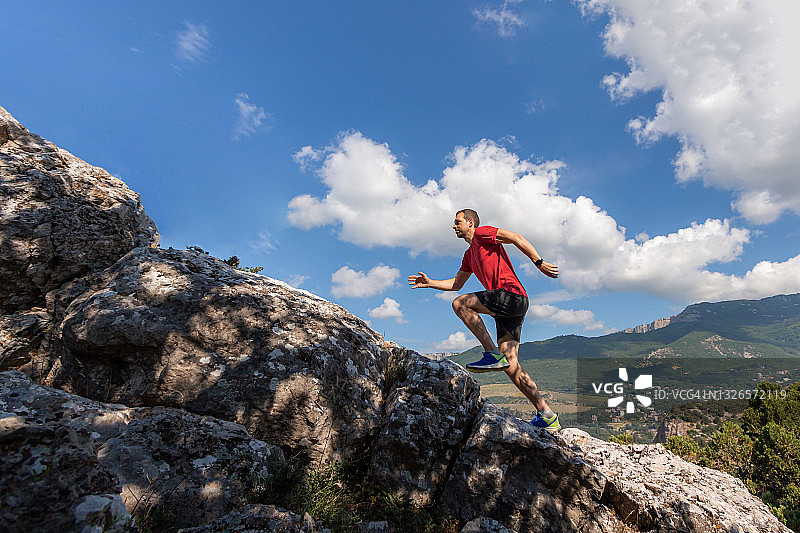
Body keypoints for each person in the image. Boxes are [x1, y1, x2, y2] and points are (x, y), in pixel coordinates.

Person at [408, 209, 561, 432]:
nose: (454, 226)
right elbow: (456, 284)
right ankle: (546, 414)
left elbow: (516, 238)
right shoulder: (469, 255)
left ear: (470, 222)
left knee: (460, 304)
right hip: (510, 307)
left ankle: (491, 353)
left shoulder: (482, 233)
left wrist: (539, 262)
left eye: (457, 222)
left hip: (511, 295)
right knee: (511, 365)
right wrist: (430, 282)